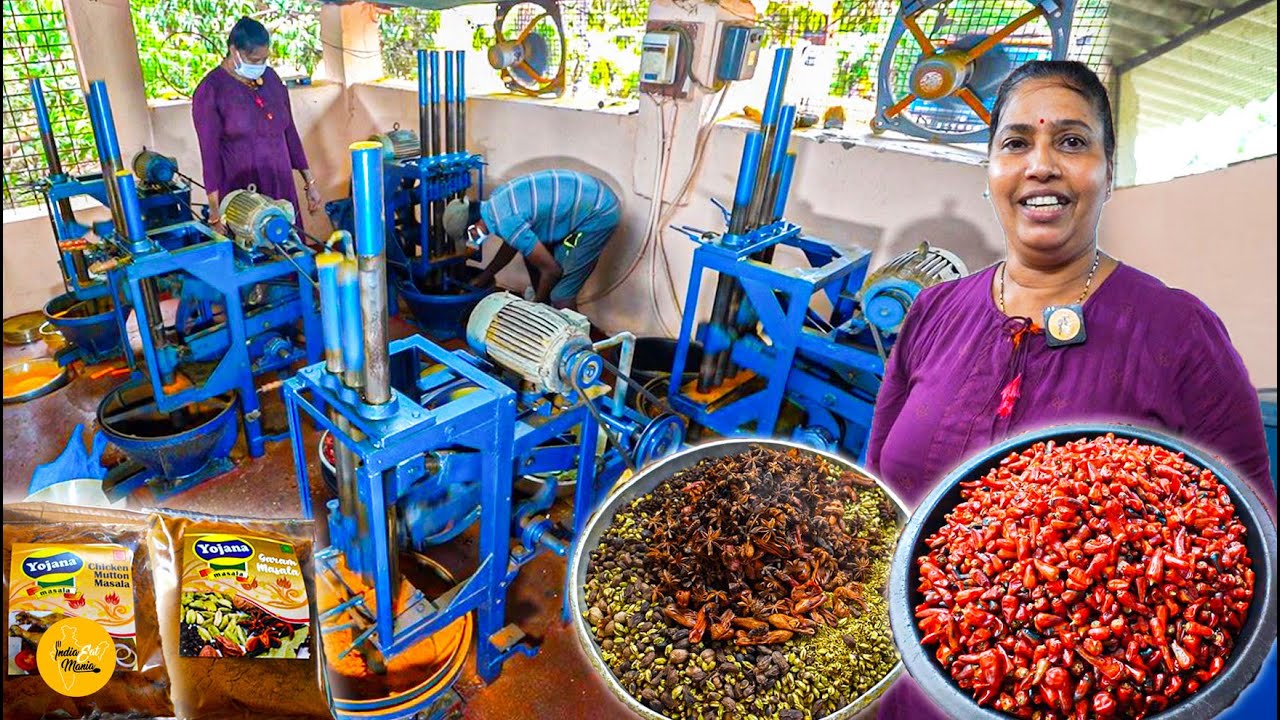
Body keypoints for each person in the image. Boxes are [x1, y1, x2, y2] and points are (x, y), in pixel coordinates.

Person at [867, 60, 1274, 718]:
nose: (1042, 166)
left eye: (1073, 142)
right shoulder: (933, 314)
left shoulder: (1178, 333)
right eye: (1017, 142)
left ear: (1110, 172)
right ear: (990, 169)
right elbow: (877, 500)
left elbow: (1252, 537)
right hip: (909, 695)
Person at [193, 17, 320, 235]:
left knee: (292, 247)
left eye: (264, 59)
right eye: (254, 59)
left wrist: (310, 183)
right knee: (259, 256)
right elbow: (210, 156)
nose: (260, 65)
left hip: (282, 188)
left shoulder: (270, 78)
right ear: (234, 51)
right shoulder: (211, 91)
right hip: (244, 196)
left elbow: (290, 133)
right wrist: (215, 213)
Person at [443, 169, 620, 310]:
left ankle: (579, 349)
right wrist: (485, 276)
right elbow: (512, 245)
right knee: (535, 259)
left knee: (561, 294)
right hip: (590, 192)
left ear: (473, 227)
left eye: (470, 238)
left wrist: (535, 306)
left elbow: (552, 271)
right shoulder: (494, 203)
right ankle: (547, 312)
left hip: (598, 214)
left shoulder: (506, 222)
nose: (473, 242)